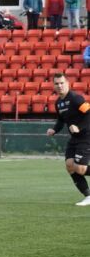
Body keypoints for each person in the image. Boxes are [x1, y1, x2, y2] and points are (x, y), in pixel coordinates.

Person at [46, 72, 90, 207]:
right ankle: (88, 196)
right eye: (57, 84)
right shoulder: (58, 103)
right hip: (75, 138)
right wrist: (54, 129)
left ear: (68, 84)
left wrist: (79, 127)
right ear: (54, 86)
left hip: (86, 136)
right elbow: (61, 120)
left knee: (81, 169)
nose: (59, 86)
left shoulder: (76, 98)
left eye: (62, 83)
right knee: (70, 166)